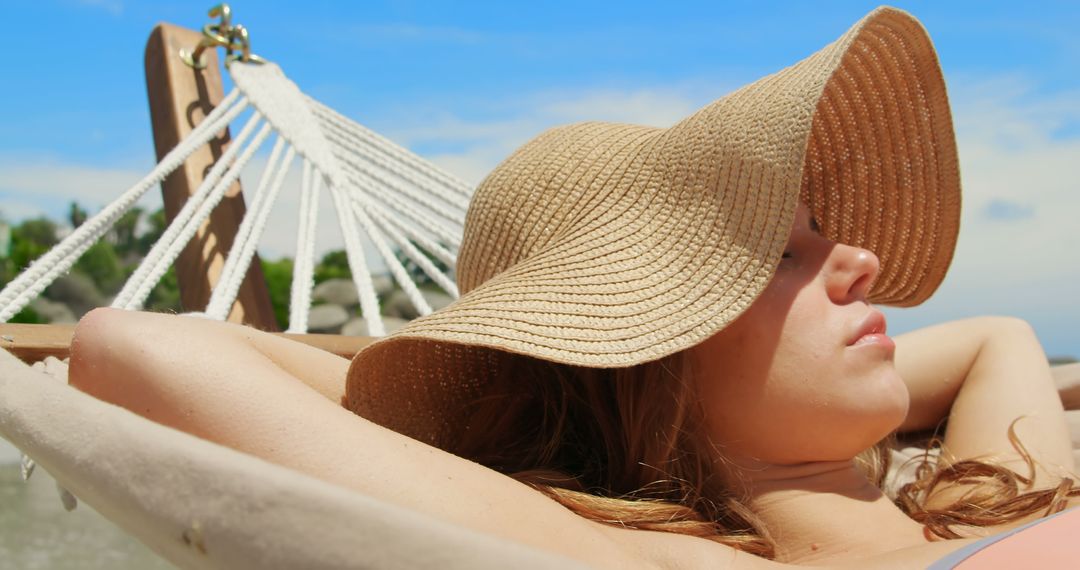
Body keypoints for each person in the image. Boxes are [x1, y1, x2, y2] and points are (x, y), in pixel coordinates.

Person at [66, 6, 1077, 569]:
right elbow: (134, 351)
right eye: (776, 253)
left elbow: (997, 335)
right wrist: (501, 406)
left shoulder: (975, 497)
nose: (858, 261)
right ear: (643, 361)